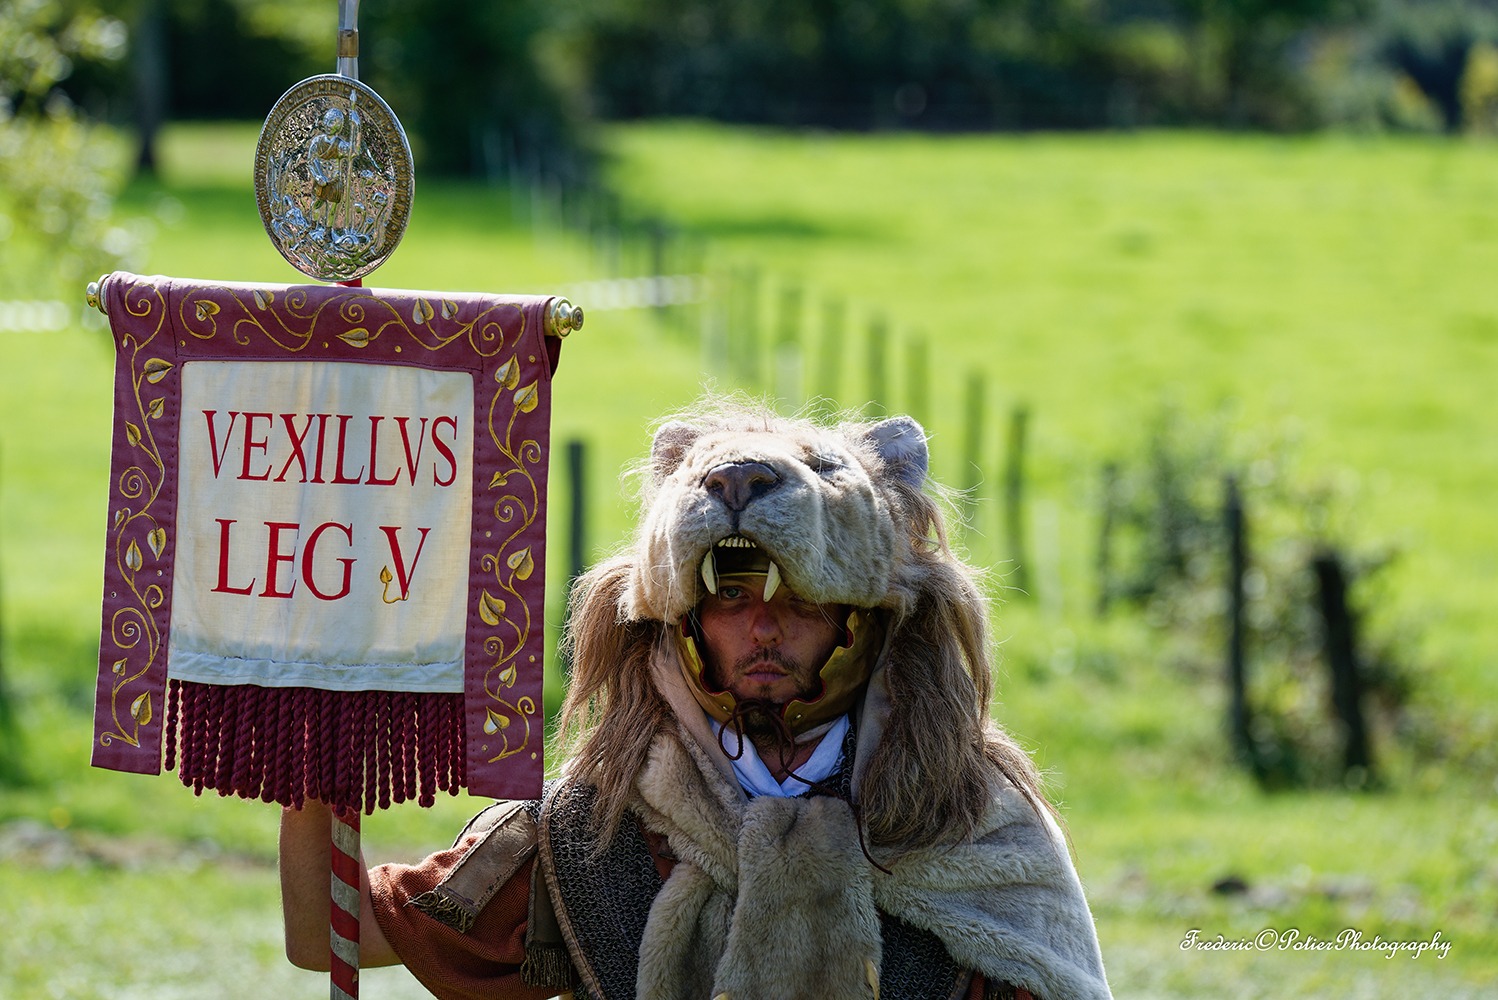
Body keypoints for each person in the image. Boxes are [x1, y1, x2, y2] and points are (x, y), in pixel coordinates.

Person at [280, 403, 1113, 1000]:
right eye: (730, 594)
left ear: (864, 619)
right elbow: (325, 933)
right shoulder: (592, 833)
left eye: (800, 600)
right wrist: (321, 717)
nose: (761, 626)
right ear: (680, 617)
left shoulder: (973, 827)